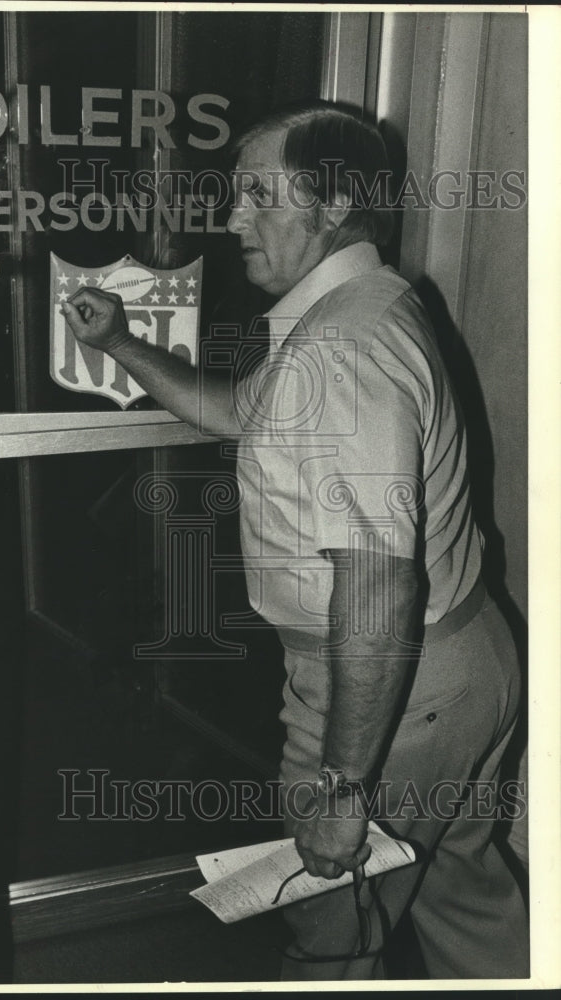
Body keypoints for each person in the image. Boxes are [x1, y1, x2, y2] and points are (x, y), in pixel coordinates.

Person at [60, 104, 529, 980]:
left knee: (328, 935)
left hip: (391, 689)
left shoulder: (340, 349)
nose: (232, 218)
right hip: (465, 668)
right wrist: (120, 341)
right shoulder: (367, 301)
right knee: (460, 898)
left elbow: (379, 592)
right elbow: (240, 413)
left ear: (337, 200)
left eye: (257, 196)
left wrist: (341, 788)